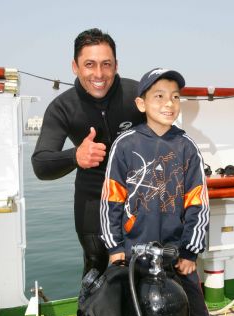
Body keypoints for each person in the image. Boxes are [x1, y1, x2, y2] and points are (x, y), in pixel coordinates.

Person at [100, 68, 228, 316]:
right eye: (158, 96)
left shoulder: (186, 147)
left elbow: (197, 202)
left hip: (176, 258)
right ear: (141, 103)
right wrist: (114, 247)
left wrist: (190, 252)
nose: (168, 103)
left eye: (174, 96)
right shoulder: (125, 146)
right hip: (133, 258)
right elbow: (111, 199)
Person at [31, 28, 144, 277]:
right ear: (75, 66)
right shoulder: (63, 107)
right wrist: (75, 156)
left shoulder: (137, 96)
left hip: (141, 201)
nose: (99, 74)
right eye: (89, 64)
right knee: (97, 272)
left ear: (116, 65)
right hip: (93, 203)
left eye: (106, 64)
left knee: (147, 275)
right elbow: (40, 164)